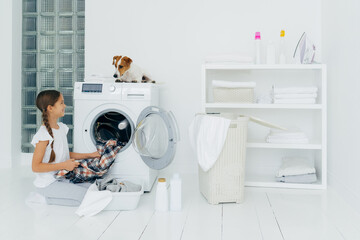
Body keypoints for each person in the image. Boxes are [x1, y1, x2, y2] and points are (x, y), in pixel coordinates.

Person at [31, 90, 100, 206]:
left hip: (61, 178)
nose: (65, 105)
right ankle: (43, 198)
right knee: (86, 197)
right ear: (50, 108)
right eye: (61, 103)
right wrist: (64, 165)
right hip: (48, 184)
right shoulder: (43, 135)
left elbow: (64, 154)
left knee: (92, 188)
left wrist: (90, 155)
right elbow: (35, 167)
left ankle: (49, 197)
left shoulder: (61, 128)